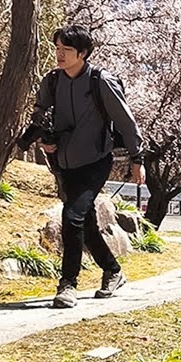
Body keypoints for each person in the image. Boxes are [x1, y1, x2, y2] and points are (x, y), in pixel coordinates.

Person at [31, 24, 145, 309]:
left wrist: (137, 158)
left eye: (66, 50)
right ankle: (113, 270)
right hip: (63, 162)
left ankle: (68, 283)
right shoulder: (53, 81)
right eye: (57, 49)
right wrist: (44, 139)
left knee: (72, 217)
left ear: (82, 53)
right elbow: (40, 113)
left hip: (95, 161)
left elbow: (125, 121)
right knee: (86, 223)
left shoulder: (100, 81)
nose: (59, 55)